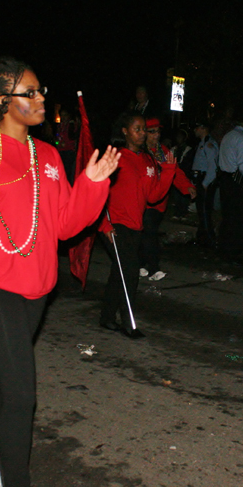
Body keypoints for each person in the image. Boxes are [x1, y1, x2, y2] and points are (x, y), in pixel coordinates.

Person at [0, 44, 120, 487]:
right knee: (21, 393)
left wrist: (90, 181)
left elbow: (65, 224)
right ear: (2, 100)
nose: (43, 98)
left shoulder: (47, 154)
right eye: (31, 92)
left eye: (41, 89)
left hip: (35, 290)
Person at [99, 112, 175, 338]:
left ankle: (106, 317)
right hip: (114, 225)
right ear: (125, 131)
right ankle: (129, 323)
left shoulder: (145, 160)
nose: (142, 134)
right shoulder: (115, 157)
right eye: (137, 129)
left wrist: (168, 171)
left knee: (120, 273)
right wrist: (103, 225)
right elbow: (97, 192)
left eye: (144, 129)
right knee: (130, 273)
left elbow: (153, 196)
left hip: (135, 225)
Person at [140, 118, 195, 280]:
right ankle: (153, 267)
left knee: (148, 232)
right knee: (148, 232)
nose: (156, 135)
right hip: (143, 200)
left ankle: (142, 263)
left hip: (159, 199)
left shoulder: (163, 151)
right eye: (152, 131)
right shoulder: (138, 151)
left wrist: (187, 186)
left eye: (158, 131)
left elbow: (175, 171)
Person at [216, 104, 243, 264]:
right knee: (239, 219)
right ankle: (235, 252)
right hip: (237, 181)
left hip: (226, 179)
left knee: (228, 217)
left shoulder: (228, 136)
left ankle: (225, 249)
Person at [191, 121, 220, 247]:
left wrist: (205, 183)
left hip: (205, 180)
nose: (195, 130)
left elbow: (213, 167)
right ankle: (202, 237)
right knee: (201, 211)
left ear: (203, 128)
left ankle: (210, 238)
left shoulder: (208, 145)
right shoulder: (203, 143)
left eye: (196, 127)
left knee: (204, 211)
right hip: (200, 178)